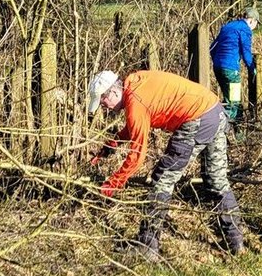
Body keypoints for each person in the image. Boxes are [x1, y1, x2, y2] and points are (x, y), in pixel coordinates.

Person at [87, 69, 245, 260]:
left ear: (113, 92)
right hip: (214, 110)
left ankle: (147, 245)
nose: (104, 107)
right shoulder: (137, 84)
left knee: (162, 180)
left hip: (196, 119)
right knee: (216, 179)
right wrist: (110, 146)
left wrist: (113, 183)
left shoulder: (136, 102)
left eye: (103, 101)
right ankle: (235, 241)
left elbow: (137, 155)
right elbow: (134, 127)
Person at [209, 7, 259, 126]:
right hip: (231, 71)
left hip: (218, 68)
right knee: (234, 103)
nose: (255, 27)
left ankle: (236, 134)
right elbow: (246, 53)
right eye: (256, 23)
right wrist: (252, 69)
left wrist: (218, 61)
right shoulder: (245, 30)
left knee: (228, 100)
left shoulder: (227, 27)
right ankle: (220, 130)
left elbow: (212, 48)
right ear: (252, 20)